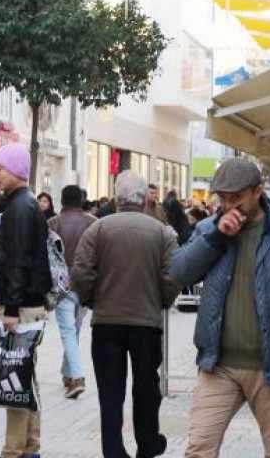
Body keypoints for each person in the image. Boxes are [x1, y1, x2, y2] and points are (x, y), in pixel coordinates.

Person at [168, 158, 270, 458]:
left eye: (237, 197)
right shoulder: (208, 229)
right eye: (223, 198)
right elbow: (179, 272)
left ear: (257, 191)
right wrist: (217, 236)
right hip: (218, 364)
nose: (229, 205)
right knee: (199, 450)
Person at [71, 171, 181, 458]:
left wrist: (92, 300)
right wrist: (161, 301)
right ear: (145, 199)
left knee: (110, 394)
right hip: (146, 323)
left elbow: (81, 273)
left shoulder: (97, 229)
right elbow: (173, 277)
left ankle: (114, 450)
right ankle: (147, 444)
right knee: (146, 388)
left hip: (106, 323)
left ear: (117, 199)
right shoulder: (163, 233)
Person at [0, 143, 53, 458]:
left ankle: (13, 450)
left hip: (22, 308)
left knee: (14, 377)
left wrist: (10, 308)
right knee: (25, 375)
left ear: (15, 170)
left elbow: (18, 261)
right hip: (30, 304)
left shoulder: (19, 208)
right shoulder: (25, 205)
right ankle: (29, 447)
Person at [47, 185, 97, 400]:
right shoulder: (94, 224)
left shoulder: (52, 224)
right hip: (86, 281)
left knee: (69, 330)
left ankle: (76, 377)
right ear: (82, 200)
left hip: (60, 282)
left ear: (61, 200)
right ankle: (68, 373)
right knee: (74, 329)